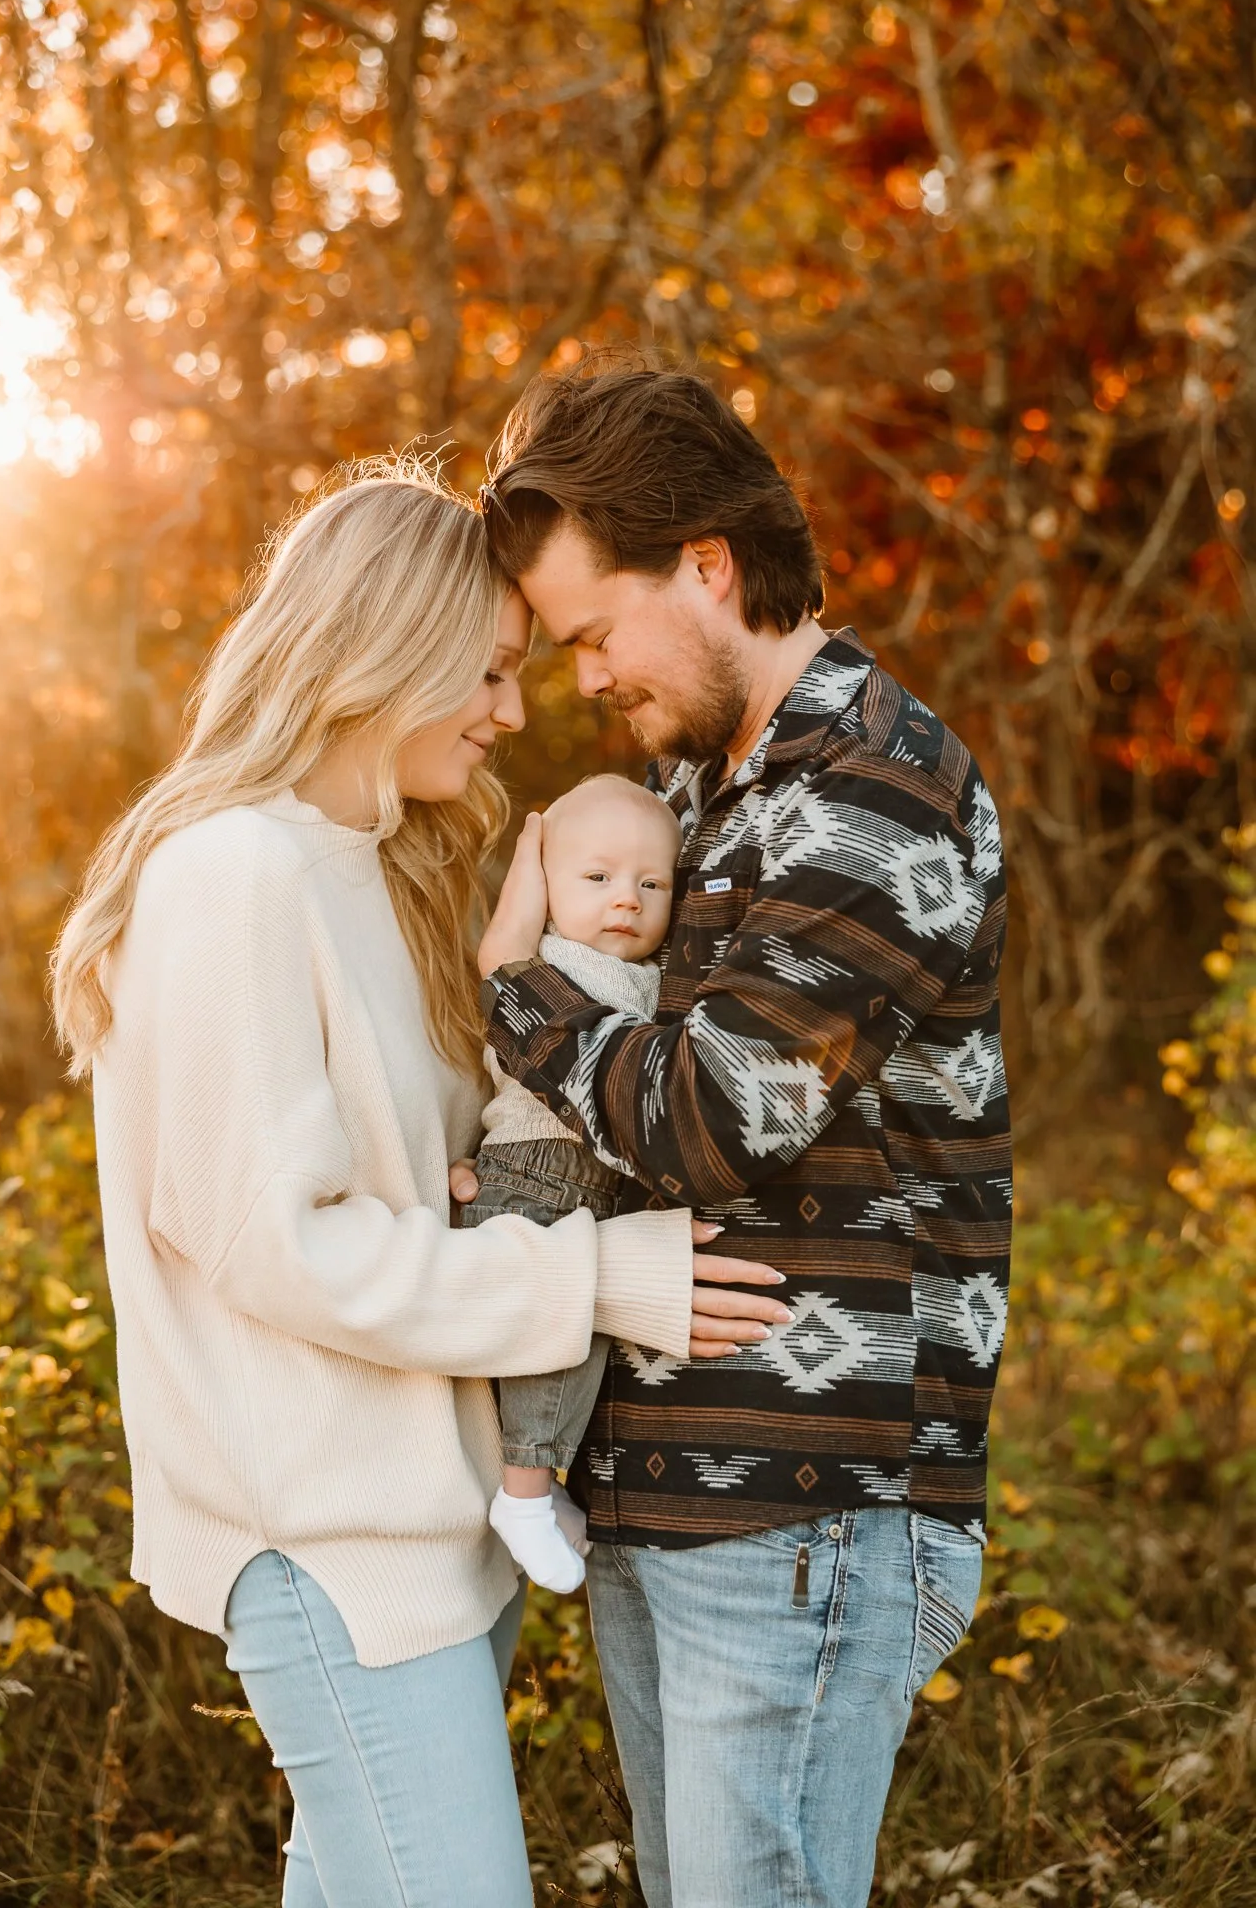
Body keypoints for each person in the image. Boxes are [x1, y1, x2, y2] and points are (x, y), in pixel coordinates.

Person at [49, 459, 794, 1908]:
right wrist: (600, 1277)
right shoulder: (232, 875)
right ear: (381, 648)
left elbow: (467, 1172)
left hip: (432, 1522)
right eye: (494, 673)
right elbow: (289, 1249)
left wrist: (522, 974)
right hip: (332, 1546)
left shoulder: (378, 863)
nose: (515, 711)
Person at [476, 368, 1014, 1908]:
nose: (582, 675)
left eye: (593, 633)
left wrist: (516, 989)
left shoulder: (871, 791)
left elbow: (714, 1123)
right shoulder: (693, 789)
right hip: (669, 1498)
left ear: (707, 567)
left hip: (804, 1517)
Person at [461, 774, 683, 1593]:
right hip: (538, 1165)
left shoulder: (651, 972)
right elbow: (500, 952)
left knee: (579, 1333)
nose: (624, 899)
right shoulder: (546, 959)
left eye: (650, 884)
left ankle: (539, 1488)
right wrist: (527, 853)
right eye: (596, 878)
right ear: (550, 886)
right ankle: (524, 1491)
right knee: (551, 1338)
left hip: (586, 1176)